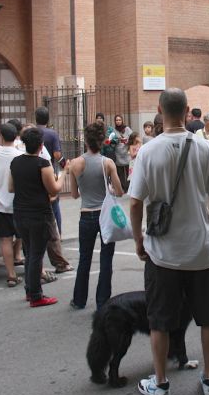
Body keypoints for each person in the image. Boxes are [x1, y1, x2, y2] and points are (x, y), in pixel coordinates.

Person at [128, 88, 209, 395]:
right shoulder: (205, 148)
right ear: (186, 111)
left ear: (160, 110)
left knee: (159, 320)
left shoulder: (147, 151)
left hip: (162, 253)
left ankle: (161, 383)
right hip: (200, 252)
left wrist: (138, 239)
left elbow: (135, 202)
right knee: (208, 318)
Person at [70, 121, 124, 310]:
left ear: (86, 141)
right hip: (104, 215)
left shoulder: (75, 163)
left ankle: (79, 300)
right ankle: (103, 301)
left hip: (86, 216)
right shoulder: (107, 163)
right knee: (106, 259)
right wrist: (108, 186)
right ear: (102, 141)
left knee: (84, 258)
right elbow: (119, 191)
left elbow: (75, 194)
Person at [9, 127, 64, 307]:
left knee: (29, 250)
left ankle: (29, 289)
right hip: (39, 213)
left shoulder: (15, 162)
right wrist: (64, 174)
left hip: (20, 212)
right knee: (36, 255)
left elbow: (11, 187)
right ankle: (36, 295)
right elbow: (54, 189)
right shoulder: (42, 164)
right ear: (41, 146)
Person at [0, 123, 23, 288]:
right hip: (20, 203)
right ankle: (35, 270)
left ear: (0, 135)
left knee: (5, 239)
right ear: (16, 137)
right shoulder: (20, 155)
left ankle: (11, 275)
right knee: (25, 238)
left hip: (0, 203)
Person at [111, 114, 133, 192]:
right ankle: (123, 187)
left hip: (126, 152)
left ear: (122, 120)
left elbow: (133, 138)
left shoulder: (127, 129)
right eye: (116, 120)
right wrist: (116, 140)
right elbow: (111, 141)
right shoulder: (113, 130)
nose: (118, 121)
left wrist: (127, 141)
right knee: (120, 172)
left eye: (119, 120)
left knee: (128, 171)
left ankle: (129, 187)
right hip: (118, 152)